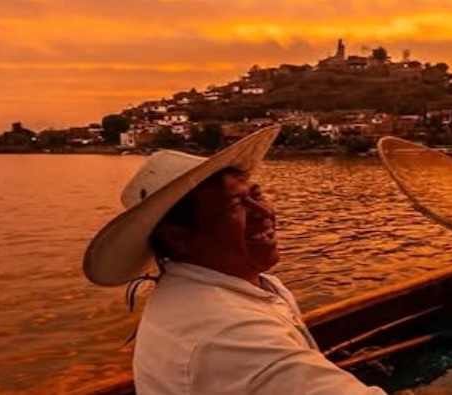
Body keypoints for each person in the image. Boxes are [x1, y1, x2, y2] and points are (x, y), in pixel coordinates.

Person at [83, 126, 387, 395]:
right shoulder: (227, 333)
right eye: (235, 205)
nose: (264, 213)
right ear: (178, 237)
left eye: (257, 194)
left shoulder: (251, 286)